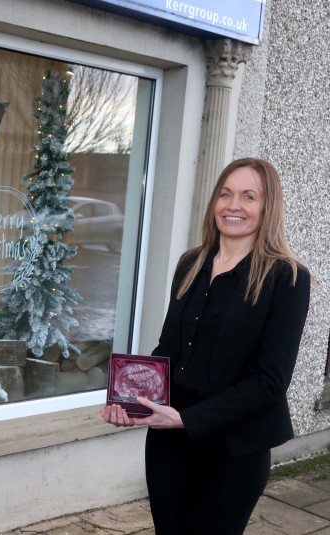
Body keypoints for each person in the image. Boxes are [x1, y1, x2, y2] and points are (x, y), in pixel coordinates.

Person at [102, 158, 311, 534]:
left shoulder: (287, 278)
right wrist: (129, 399)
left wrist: (186, 419)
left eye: (249, 196)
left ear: (267, 207)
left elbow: (270, 381)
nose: (233, 205)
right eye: (226, 194)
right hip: (170, 442)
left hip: (235, 447)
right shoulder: (191, 264)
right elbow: (168, 349)